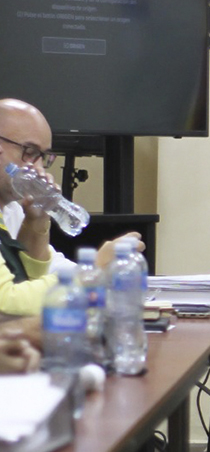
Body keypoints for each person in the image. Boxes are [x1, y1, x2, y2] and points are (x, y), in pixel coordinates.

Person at [0, 98, 139, 320]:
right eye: (29, 151)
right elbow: (6, 304)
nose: (36, 168)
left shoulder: (13, 209)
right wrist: (92, 271)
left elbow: (32, 281)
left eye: (42, 157)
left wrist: (35, 224)